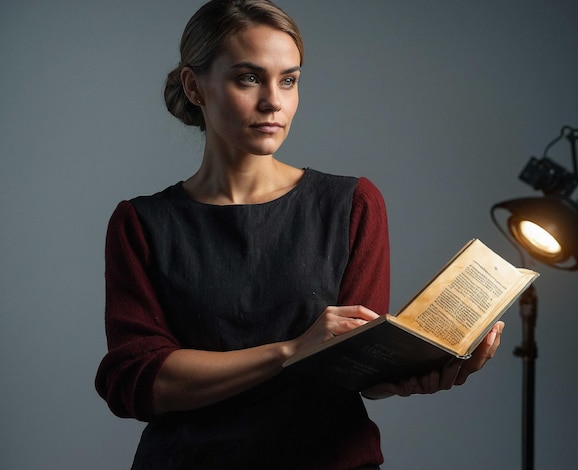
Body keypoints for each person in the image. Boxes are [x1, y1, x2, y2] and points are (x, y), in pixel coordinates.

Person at [95, 1, 505, 468]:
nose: (274, 100)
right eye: (248, 78)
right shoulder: (142, 223)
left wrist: (408, 373)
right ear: (194, 87)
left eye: (288, 80)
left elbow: (353, 367)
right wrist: (292, 350)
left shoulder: (351, 204)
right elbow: (139, 381)